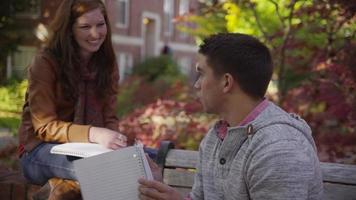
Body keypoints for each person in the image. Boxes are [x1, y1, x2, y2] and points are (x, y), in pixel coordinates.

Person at [138, 33, 324, 199]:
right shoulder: (216, 136)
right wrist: (159, 189)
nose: (196, 85)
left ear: (226, 82)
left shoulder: (278, 150)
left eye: (201, 74)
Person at [18, 0, 127, 199]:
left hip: (89, 150)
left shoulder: (107, 64)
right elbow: (44, 127)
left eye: (100, 25)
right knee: (105, 172)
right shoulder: (45, 62)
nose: (95, 34)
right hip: (38, 151)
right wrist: (94, 133)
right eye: (85, 27)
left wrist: (115, 141)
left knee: (136, 163)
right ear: (69, 30)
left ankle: (59, 187)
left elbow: (109, 116)